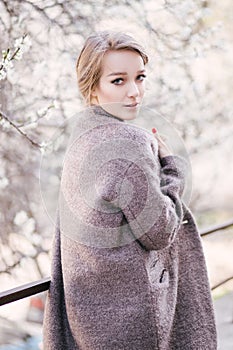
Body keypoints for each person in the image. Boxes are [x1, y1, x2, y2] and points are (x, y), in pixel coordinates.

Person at [43, 31, 217, 349]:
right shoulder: (126, 142)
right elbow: (160, 231)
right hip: (135, 322)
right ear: (92, 88)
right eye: (118, 81)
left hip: (93, 321)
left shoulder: (81, 141)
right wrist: (172, 169)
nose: (135, 92)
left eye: (140, 77)